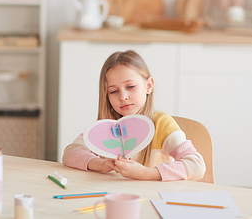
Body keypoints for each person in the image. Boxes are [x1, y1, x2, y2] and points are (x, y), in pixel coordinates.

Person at [62, 50, 206, 181]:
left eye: (130, 87)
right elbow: (70, 153)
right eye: (113, 91)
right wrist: (101, 164)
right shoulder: (107, 127)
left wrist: (145, 173)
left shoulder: (161, 124)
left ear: (148, 86)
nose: (123, 97)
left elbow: (197, 165)